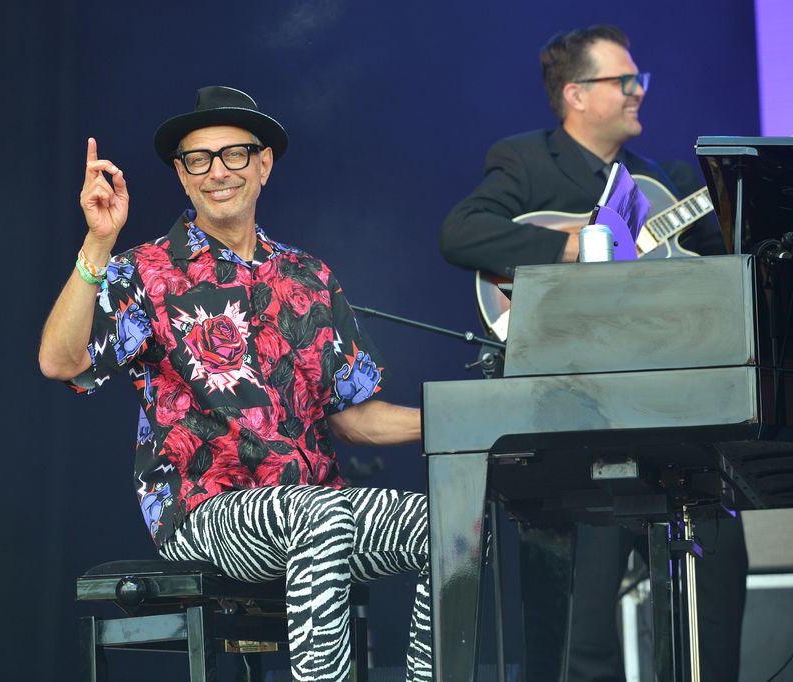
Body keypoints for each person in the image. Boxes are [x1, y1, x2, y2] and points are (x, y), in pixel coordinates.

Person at [39, 86, 431, 682]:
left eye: (236, 155)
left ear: (265, 164)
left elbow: (351, 417)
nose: (218, 172)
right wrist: (98, 244)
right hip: (203, 512)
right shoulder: (146, 271)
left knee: (449, 522)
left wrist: (460, 421)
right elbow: (60, 362)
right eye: (199, 159)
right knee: (320, 518)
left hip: (314, 506)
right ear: (182, 175)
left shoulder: (308, 275)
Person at [439, 25, 748, 682]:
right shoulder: (527, 161)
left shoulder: (655, 180)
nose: (639, 91)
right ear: (576, 94)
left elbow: (721, 256)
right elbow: (462, 234)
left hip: (668, 415)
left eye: (639, 79)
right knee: (584, 622)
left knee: (713, 567)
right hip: (575, 421)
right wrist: (571, 249)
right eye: (624, 80)